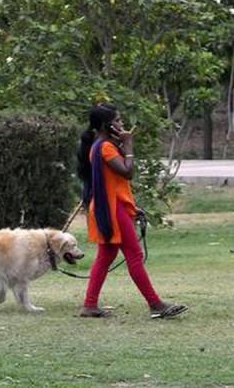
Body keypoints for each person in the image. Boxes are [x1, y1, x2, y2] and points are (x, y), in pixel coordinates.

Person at [76, 103, 188, 319]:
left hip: (110, 207)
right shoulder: (105, 147)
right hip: (111, 210)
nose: (122, 124)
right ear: (105, 125)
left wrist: (131, 207)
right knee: (134, 255)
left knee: (106, 256)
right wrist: (128, 147)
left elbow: (112, 184)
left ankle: (90, 305)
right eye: (117, 120)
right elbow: (127, 173)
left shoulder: (101, 146)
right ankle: (155, 304)